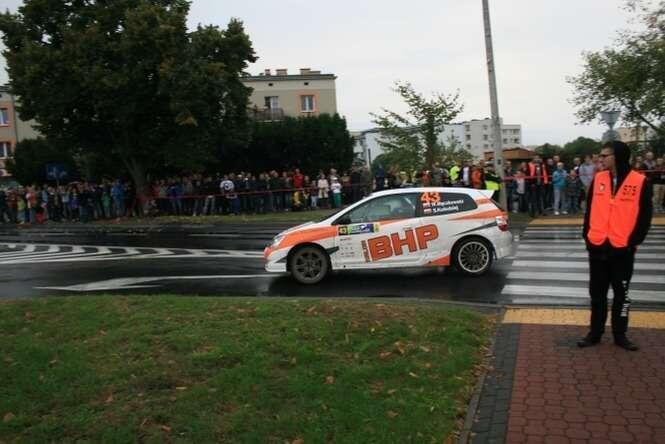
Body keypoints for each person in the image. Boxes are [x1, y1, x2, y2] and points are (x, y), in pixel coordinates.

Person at [578, 141, 652, 351]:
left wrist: (632, 242)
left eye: (605, 155)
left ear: (617, 156)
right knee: (597, 295)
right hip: (598, 246)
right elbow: (589, 211)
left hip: (622, 249)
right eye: (600, 155)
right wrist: (587, 236)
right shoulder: (599, 178)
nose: (600, 159)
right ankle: (595, 333)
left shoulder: (640, 181)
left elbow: (645, 217)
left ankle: (620, 334)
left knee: (622, 295)